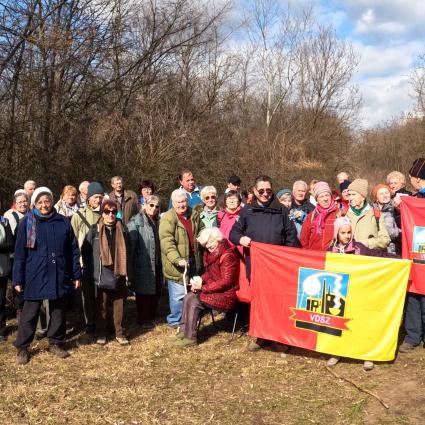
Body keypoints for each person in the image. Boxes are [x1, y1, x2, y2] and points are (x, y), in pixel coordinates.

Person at [230, 175, 298, 352]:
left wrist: (288, 258)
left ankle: (277, 336)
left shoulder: (281, 211)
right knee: (259, 301)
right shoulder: (247, 211)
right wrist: (241, 239)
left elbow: (291, 237)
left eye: (268, 190)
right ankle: (260, 335)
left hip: (278, 267)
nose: (265, 194)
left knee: (277, 301)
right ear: (254, 191)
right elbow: (233, 234)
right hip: (256, 265)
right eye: (261, 191)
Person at [13, 187, 81, 364]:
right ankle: (22, 347)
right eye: (40, 202)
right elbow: (20, 253)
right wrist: (18, 279)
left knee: (58, 310)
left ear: (52, 202)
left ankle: (56, 342)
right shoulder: (28, 222)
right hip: (35, 273)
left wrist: (76, 274)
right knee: (30, 312)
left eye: (47, 201)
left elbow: (73, 250)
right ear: (35, 204)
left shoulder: (63, 222)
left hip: (59, 272)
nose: (44, 205)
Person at [326, 217, 398, 371]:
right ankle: (336, 351)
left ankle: (367, 354)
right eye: (343, 233)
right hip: (340, 294)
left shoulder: (359, 248)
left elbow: (378, 256)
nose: (346, 235)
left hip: (360, 292)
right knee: (339, 323)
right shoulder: (330, 250)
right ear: (336, 234)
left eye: (349, 232)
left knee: (363, 323)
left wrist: (398, 259)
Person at [170, 227, 239, 347]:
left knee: (194, 301)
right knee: (188, 297)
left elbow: (226, 281)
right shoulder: (210, 253)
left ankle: (190, 338)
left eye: (211, 242)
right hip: (215, 289)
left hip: (227, 294)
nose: (208, 246)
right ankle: (183, 330)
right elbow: (209, 273)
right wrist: (200, 280)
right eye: (205, 244)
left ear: (218, 239)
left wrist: (203, 288)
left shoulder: (228, 255)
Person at [82, 200, 129, 345]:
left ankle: (119, 333)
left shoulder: (123, 229)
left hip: (119, 272)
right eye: (107, 212)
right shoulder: (94, 229)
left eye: (114, 212)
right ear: (102, 213)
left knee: (118, 304)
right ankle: (102, 332)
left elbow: (130, 249)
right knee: (102, 305)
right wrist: (91, 270)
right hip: (101, 274)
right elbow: (85, 250)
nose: (111, 215)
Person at [160, 189, 204, 327]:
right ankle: (176, 321)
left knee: (193, 291)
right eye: (178, 202)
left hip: (193, 259)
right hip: (177, 263)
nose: (181, 205)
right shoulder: (168, 218)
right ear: (173, 203)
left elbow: (201, 231)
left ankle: (191, 317)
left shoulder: (194, 214)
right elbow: (167, 242)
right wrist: (177, 259)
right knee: (178, 294)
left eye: (184, 201)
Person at [71, 181, 104, 336]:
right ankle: (90, 323)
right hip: (86, 262)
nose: (98, 200)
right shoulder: (78, 216)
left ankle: (102, 320)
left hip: (103, 262)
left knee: (103, 294)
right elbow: (73, 240)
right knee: (88, 295)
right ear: (89, 198)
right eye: (96, 197)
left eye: (101, 197)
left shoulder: (107, 213)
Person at [399, 158, 425, 353]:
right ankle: (412, 336)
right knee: (414, 293)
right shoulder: (413, 199)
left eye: (412, 176)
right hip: (416, 255)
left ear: (418, 178)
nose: (410, 179)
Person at [127, 195, 162, 328]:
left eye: (157, 206)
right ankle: (143, 319)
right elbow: (131, 246)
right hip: (142, 262)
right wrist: (130, 267)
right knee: (143, 293)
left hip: (157, 262)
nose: (153, 208)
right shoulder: (136, 221)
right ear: (145, 205)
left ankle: (152, 316)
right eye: (151, 205)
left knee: (156, 290)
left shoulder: (159, 221)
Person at [345, 179, 390, 250]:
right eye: (349, 195)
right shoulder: (343, 214)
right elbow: (335, 239)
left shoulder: (376, 214)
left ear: (363, 197)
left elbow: (385, 239)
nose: (350, 198)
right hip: (349, 258)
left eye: (353, 194)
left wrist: (368, 243)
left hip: (369, 258)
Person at [300, 182, 339, 251]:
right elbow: (304, 238)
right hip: (315, 257)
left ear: (331, 196)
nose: (325, 199)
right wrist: (308, 253)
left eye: (327, 195)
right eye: (321, 196)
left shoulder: (338, 214)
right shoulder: (311, 216)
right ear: (317, 199)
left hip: (332, 257)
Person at [371, 184, 401, 254]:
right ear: (376, 198)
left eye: (386, 193)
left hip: (394, 248)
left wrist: (398, 211)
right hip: (377, 248)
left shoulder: (396, 208)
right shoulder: (371, 210)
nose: (385, 195)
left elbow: (402, 225)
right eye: (381, 194)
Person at [0, 204, 14, 343]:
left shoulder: (4, 222)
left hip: (2, 270)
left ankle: (1, 331)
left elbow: (11, 244)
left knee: (0, 301)